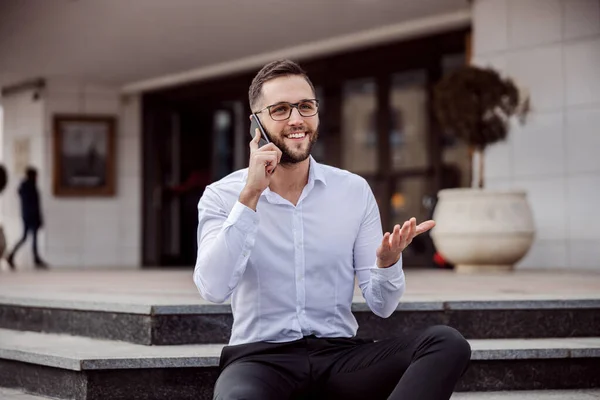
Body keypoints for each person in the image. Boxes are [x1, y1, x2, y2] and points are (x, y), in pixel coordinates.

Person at [193, 60, 470, 400]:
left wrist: (387, 262)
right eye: (280, 109)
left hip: (339, 357)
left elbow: (382, 305)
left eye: (305, 106)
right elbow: (213, 288)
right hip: (259, 360)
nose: (297, 120)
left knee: (446, 342)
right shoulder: (223, 195)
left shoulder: (352, 191)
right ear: (257, 124)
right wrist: (250, 196)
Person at [7, 167, 48, 270]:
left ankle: (12, 256)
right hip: (31, 216)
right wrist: (38, 218)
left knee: (27, 237)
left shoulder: (25, 187)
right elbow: (34, 205)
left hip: (27, 216)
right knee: (29, 238)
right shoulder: (30, 187)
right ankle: (34, 258)